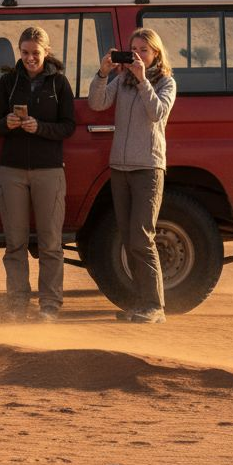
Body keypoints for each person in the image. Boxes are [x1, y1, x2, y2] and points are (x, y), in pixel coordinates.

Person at [88, 27, 177, 324]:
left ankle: (155, 306)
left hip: (148, 168)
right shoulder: (121, 79)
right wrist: (103, 73)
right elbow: (97, 103)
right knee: (128, 238)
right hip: (120, 167)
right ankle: (140, 304)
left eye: (144, 50)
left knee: (142, 238)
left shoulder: (166, 82)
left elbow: (157, 114)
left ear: (156, 54)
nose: (137, 54)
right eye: (133, 49)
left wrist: (142, 81)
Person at [0, 27, 76, 322]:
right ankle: (16, 303)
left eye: (35, 53)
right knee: (15, 242)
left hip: (49, 170)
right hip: (11, 170)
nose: (29, 58)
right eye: (24, 52)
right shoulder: (8, 82)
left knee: (51, 242)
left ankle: (49, 304)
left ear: (46, 52)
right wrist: (8, 122)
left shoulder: (59, 83)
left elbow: (68, 126)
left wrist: (40, 128)